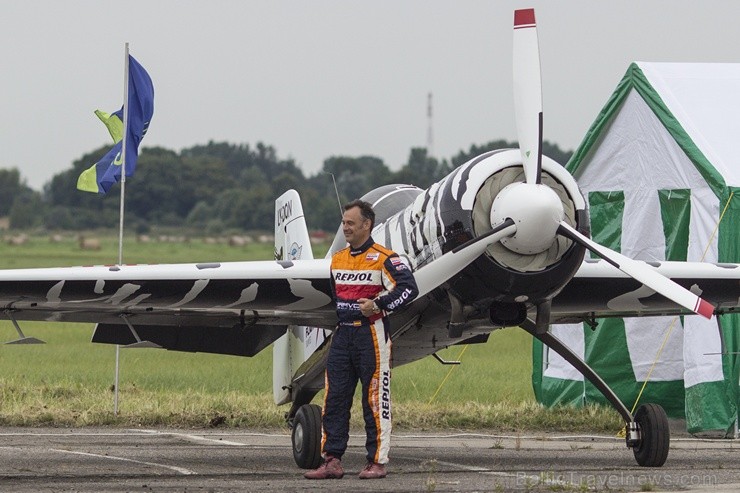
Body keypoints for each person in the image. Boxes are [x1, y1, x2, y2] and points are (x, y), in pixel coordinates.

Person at [304, 199, 418, 480]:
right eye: (343, 223)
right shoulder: (338, 258)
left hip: (372, 334)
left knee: (375, 399)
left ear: (367, 225)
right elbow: (336, 294)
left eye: (351, 223)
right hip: (343, 335)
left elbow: (409, 289)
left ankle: (376, 462)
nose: (345, 228)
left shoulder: (386, 258)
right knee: (335, 399)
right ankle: (331, 460)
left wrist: (379, 305)